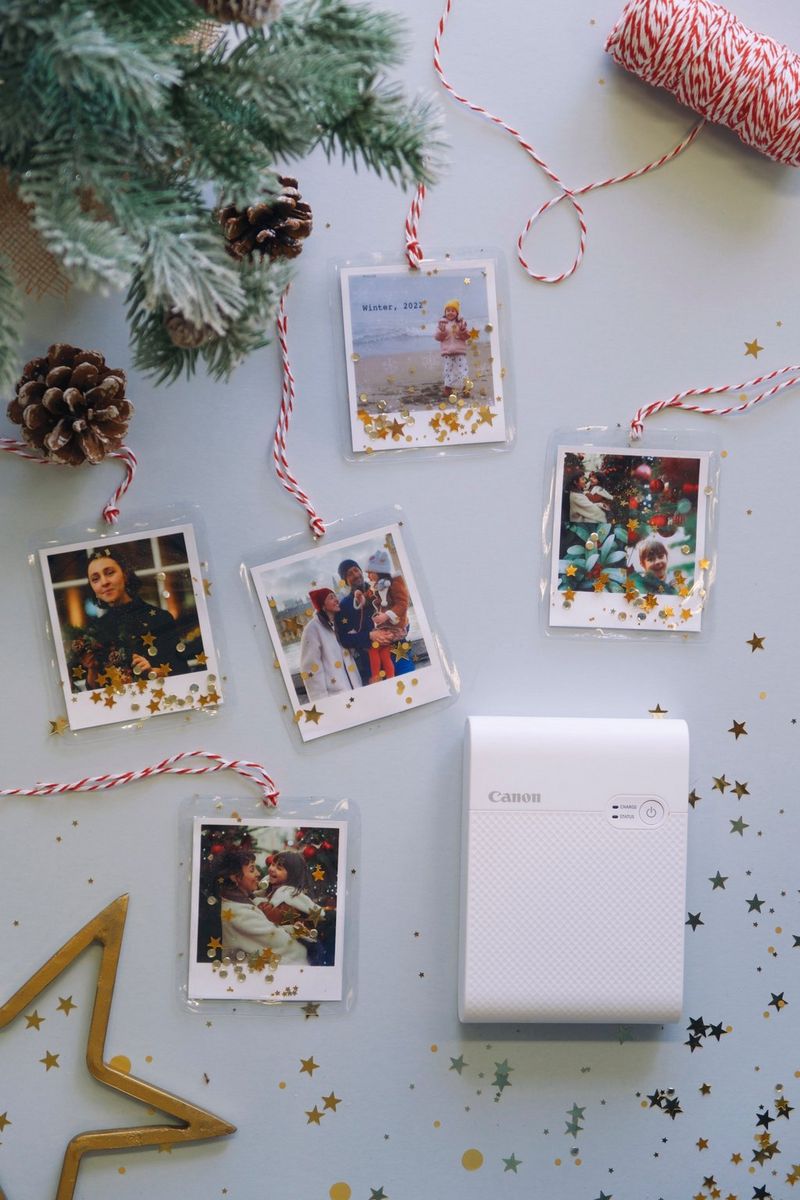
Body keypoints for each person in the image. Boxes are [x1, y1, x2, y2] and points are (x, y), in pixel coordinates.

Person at [68, 546, 193, 689]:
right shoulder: (97, 630)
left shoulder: (159, 618)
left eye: (109, 573)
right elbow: (95, 693)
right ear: (93, 588)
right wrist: (93, 668)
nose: (104, 582)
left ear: (125, 575)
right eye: (95, 579)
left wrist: (152, 672)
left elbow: (182, 674)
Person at [213, 845, 305, 964]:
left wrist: (292, 929)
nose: (258, 873)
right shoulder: (240, 913)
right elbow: (283, 944)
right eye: (252, 870)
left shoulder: (243, 901)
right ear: (235, 877)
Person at [335, 557, 395, 685]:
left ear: (361, 571)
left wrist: (392, 634)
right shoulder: (345, 605)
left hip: (395, 653)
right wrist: (369, 636)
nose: (355, 575)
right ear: (345, 581)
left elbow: (401, 615)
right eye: (349, 574)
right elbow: (344, 639)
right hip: (369, 665)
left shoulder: (381, 590)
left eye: (356, 570)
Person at [355, 548, 410, 684]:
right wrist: (360, 598)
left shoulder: (395, 582)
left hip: (395, 627)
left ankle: (376, 678)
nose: (368, 577)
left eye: (370, 573)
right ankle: (390, 678)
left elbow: (403, 604)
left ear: (378, 571)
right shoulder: (377, 586)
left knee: (373, 648)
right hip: (386, 627)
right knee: (384, 652)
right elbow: (368, 598)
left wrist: (385, 616)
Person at [298, 587, 363, 699]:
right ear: (323, 606)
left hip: (355, 690)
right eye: (331, 598)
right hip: (336, 696)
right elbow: (310, 668)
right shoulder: (312, 629)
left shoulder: (340, 623)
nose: (337, 600)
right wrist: (321, 701)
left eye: (335, 596)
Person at [255, 850, 325, 948]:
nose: (272, 869)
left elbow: (271, 916)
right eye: (272, 864)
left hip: (291, 943)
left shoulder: (289, 896)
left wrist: (257, 901)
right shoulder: (272, 886)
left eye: (279, 868)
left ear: (291, 875)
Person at [433, 298, 470, 399]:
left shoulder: (461, 323)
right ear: (445, 312)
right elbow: (437, 337)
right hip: (447, 352)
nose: (450, 312)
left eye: (453, 310)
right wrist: (442, 331)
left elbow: (466, 336)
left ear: (457, 313)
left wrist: (462, 330)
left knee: (463, 369)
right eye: (448, 310)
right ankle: (448, 388)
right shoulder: (442, 324)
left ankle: (466, 388)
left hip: (460, 351)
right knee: (447, 370)